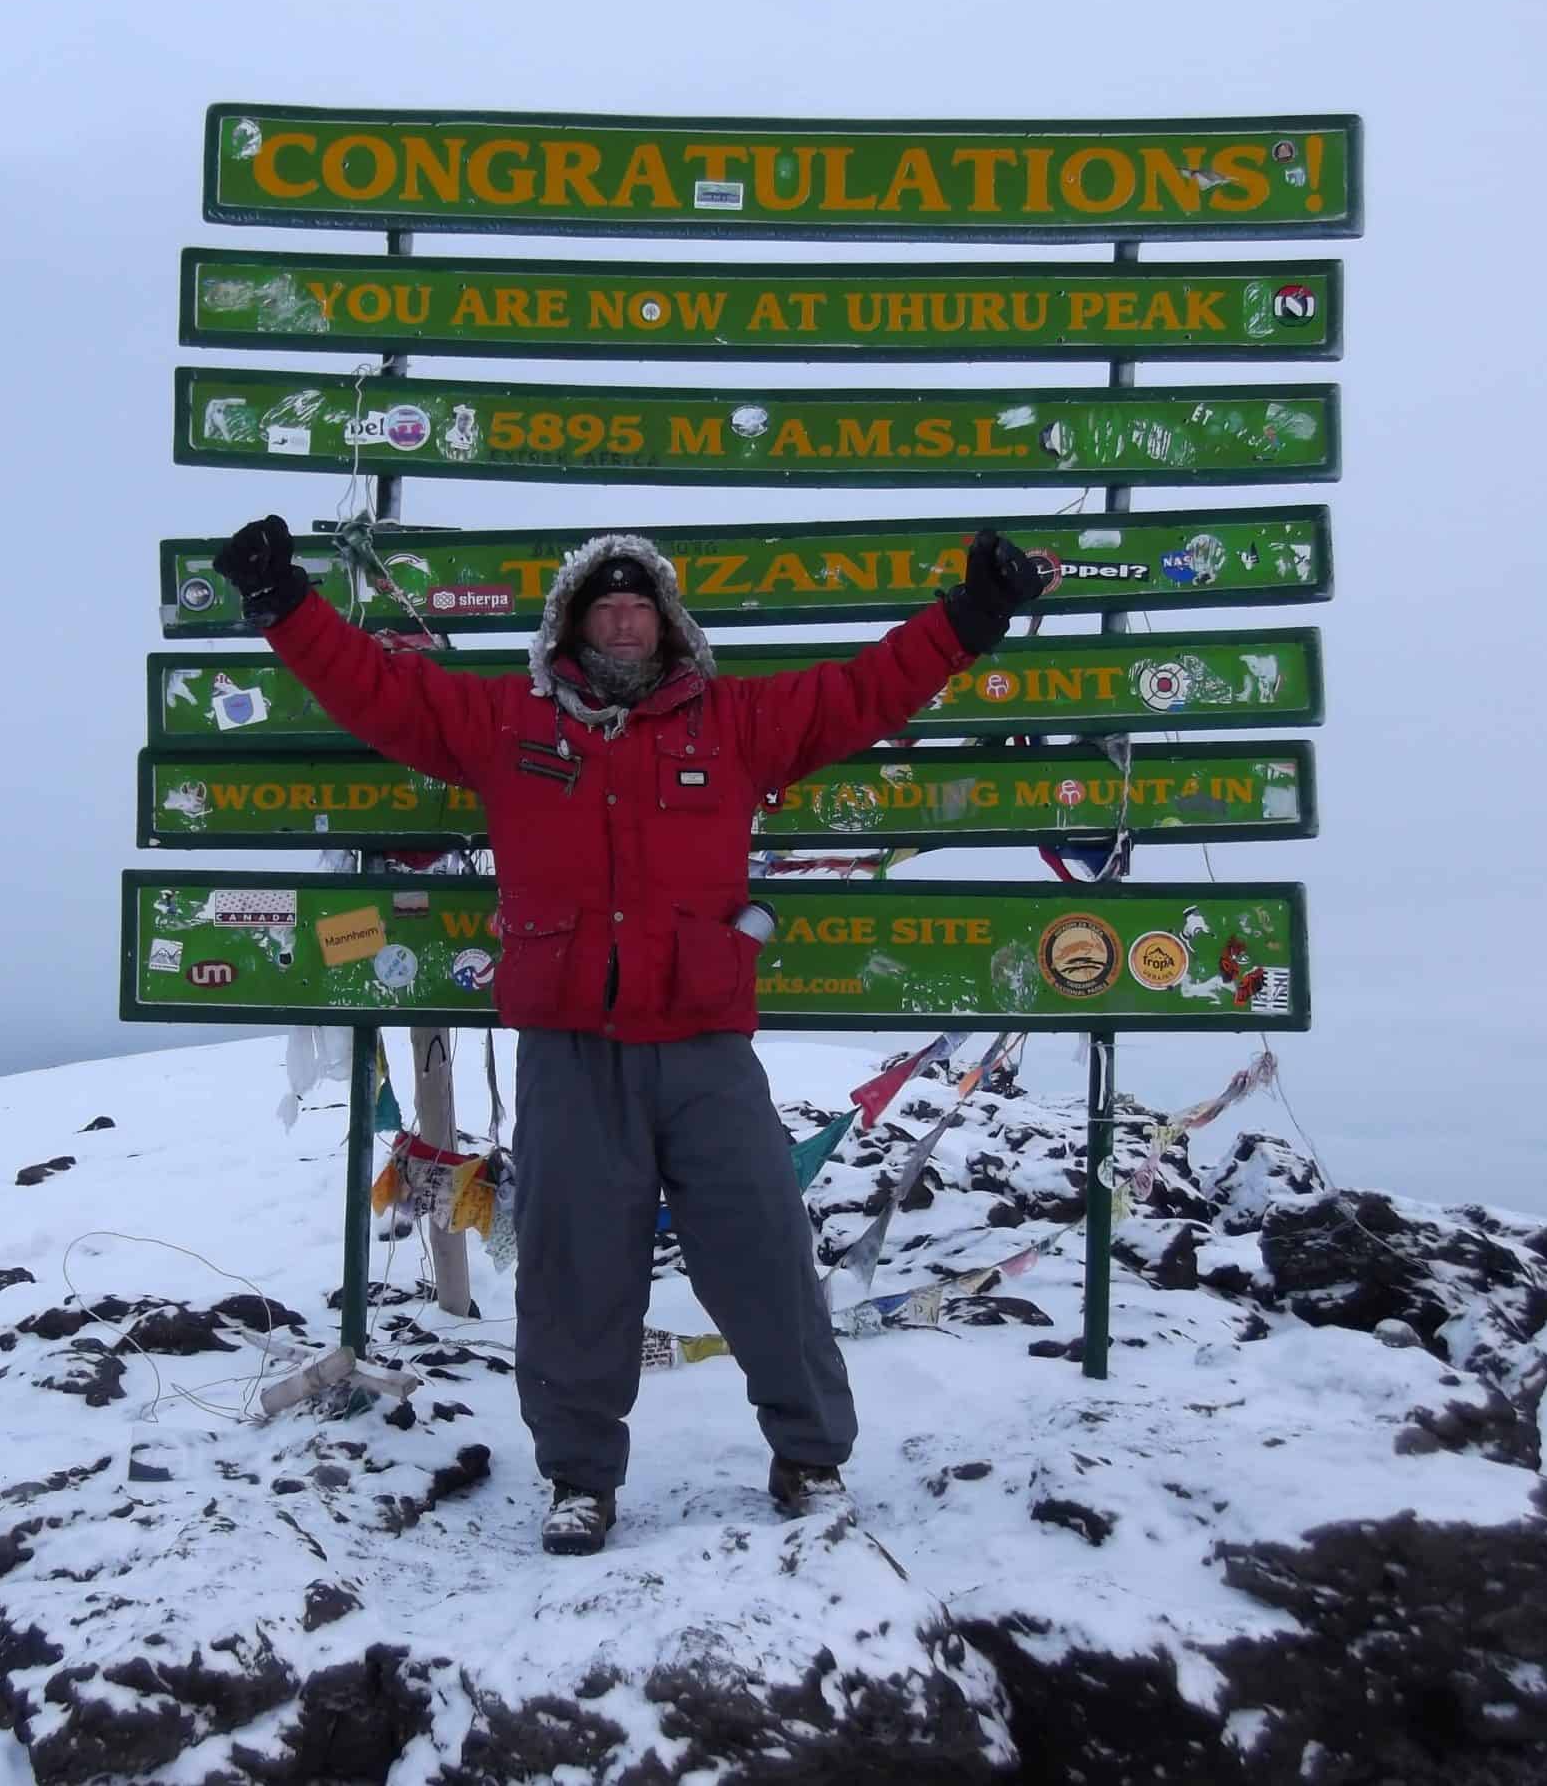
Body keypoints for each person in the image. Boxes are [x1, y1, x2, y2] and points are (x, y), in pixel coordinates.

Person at [211, 517, 1047, 1553]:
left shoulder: (735, 724)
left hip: (704, 1051)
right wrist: (282, 605)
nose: (621, 617)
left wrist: (974, 614)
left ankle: (809, 1455)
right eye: (602, 604)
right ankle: (578, 1480)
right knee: (571, 1272)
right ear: (570, 623)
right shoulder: (502, 723)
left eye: (638, 603)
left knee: (764, 1256)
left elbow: (864, 691)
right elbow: (379, 691)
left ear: (666, 625)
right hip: (567, 1053)